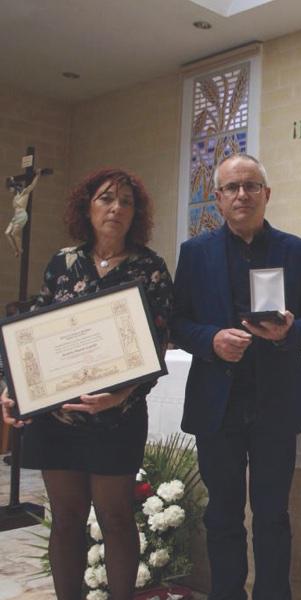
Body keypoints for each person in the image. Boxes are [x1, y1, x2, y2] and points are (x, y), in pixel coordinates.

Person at [1, 168, 173, 600]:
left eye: (126, 201)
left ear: (137, 213)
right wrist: (14, 386)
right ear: (87, 206)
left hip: (119, 415)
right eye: (105, 198)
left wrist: (119, 395)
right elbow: (36, 331)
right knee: (66, 517)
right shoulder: (62, 261)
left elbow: (158, 344)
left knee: (115, 517)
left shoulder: (149, 267)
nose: (116, 208)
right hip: (59, 417)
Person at [170, 153, 301, 600]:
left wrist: (289, 331)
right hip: (217, 404)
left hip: (273, 404)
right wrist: (211, 340)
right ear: (217, 199)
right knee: (221, 514)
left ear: (267, 194)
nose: (242, 195)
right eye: (232, 188)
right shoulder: (194, 253)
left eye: (251, 186)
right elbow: (178, 323)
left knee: (273, 514)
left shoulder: (296, 251)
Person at [5, 169, 44, 256]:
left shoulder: (24, 192)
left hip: (21, 215)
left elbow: (32, 186)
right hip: (15, 216)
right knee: (7, 233)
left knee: (14, 234)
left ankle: (20, 250)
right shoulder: (15, 197)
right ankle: (16, 250)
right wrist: (11, 180)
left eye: (11, 188)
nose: (11, 190)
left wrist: (38, 175)